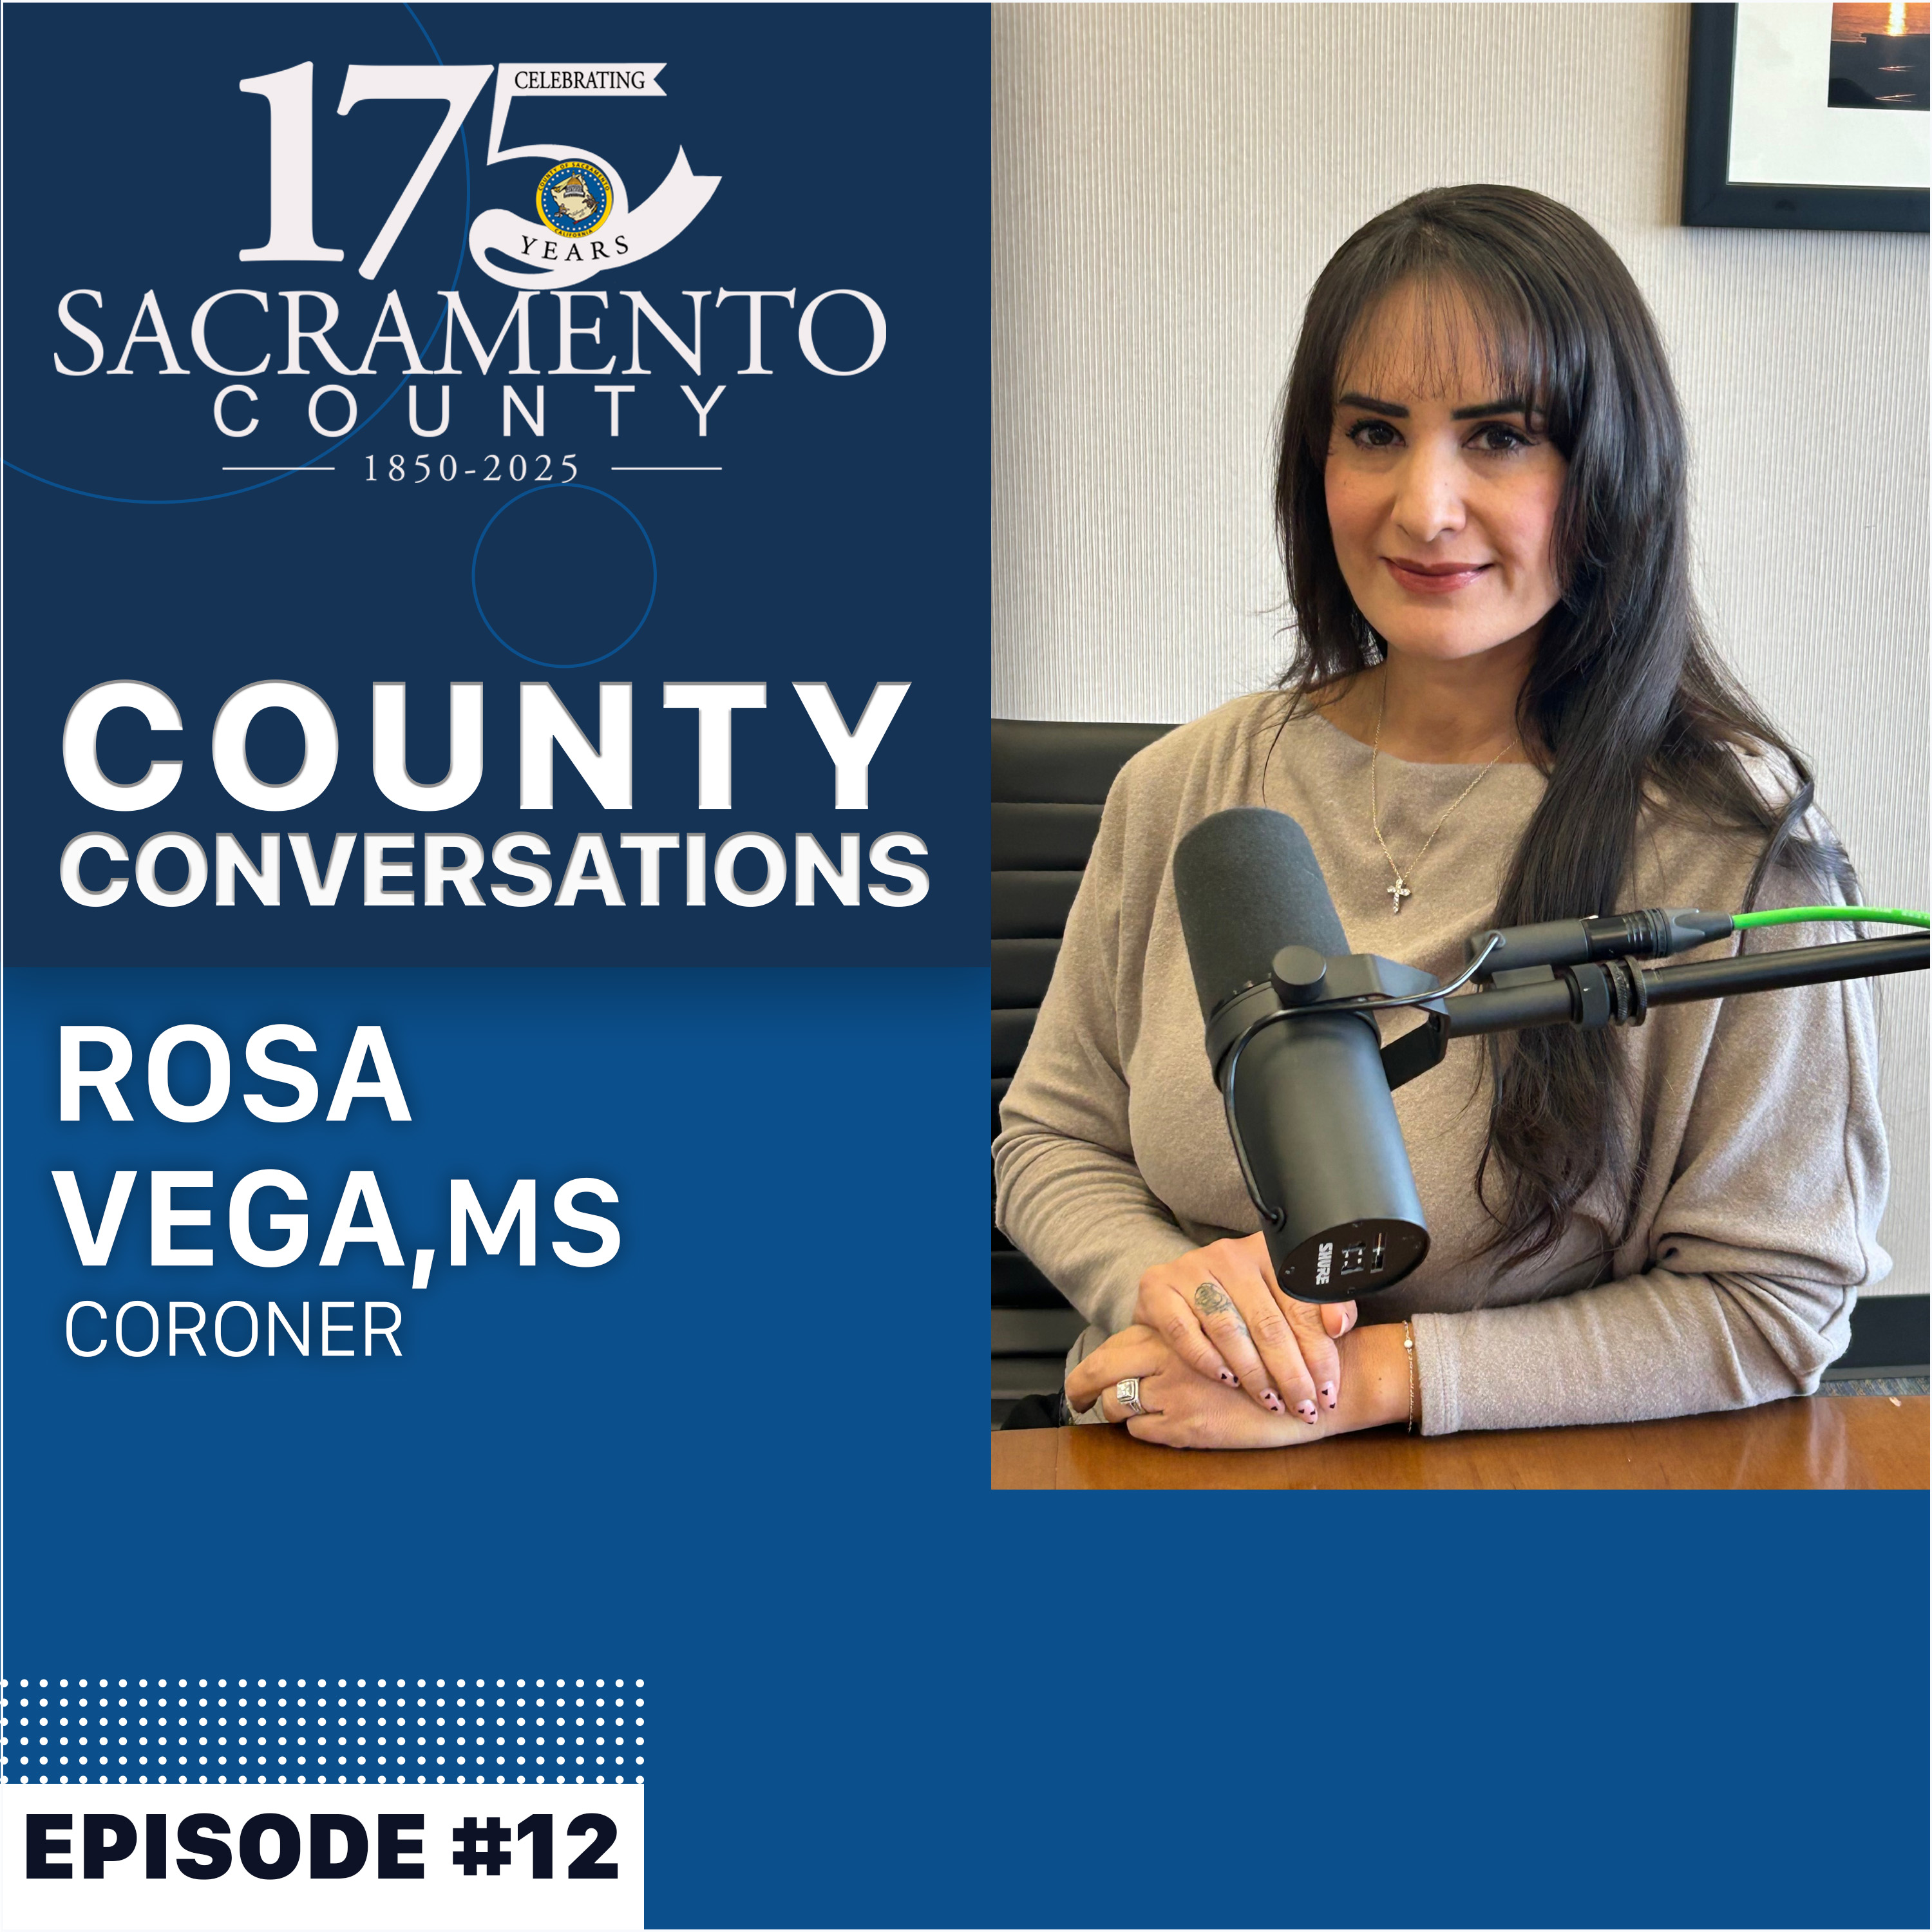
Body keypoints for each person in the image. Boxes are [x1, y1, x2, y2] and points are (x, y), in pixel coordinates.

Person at [992, 184, 1893, 1448]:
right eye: (1373, 432)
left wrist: (1372, 1379)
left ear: (1611, 466)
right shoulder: (1183, 789)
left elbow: (1774, 1302)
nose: (1423, 508)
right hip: (1173, 1451)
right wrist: (1163, 1285)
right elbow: (1050, 1136)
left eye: (1500, 436)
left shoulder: (1738, 847)